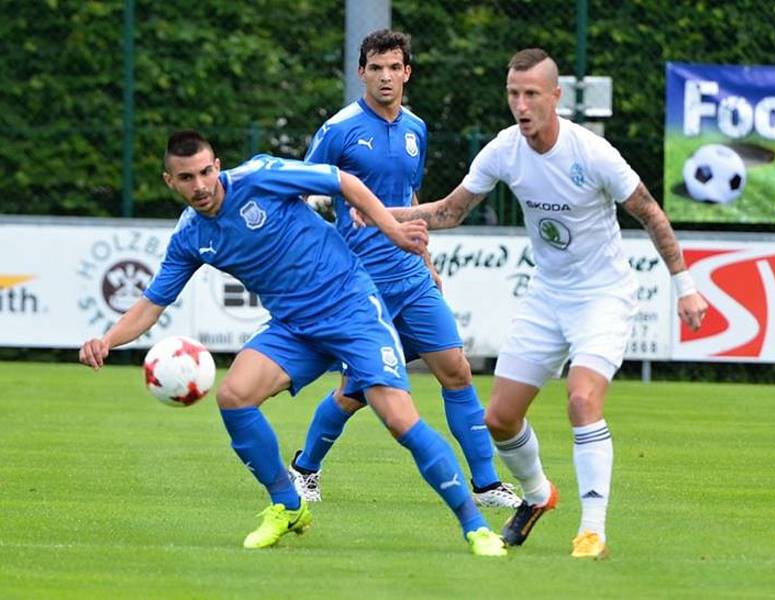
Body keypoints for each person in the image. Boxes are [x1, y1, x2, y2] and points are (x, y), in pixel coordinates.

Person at [78, 130, 507, 557]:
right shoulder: (191, 236)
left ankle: (476, 527)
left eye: (206, 172)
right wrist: (107, 340)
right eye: (187, 178)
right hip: (294, 327)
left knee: (398, 419)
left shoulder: (260, 176)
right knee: (234, 396)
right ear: (169, 181)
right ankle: (287, 504)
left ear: (218, 166)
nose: (201, 185)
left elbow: (344, 182)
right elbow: (154, 302)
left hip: (350, 306)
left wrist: (392, 230)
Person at [353, 49, 709, 559]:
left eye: (531, 95)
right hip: (546, 297)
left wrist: (685, 286)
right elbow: (451, 211)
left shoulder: (593, 154)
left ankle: (592, 530)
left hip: (602, 297)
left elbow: (650, 212)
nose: (521, 105)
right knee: (498, 419)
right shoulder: (504, 150)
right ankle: (539, 495)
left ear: (555, 97)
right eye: (513, 95)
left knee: (583, 400)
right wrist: (383, 212)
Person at [290, 29, 520, 509]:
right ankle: (305, 468)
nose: (386, 77)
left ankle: (486, 484)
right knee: (353, 392)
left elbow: (411, 203)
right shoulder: (338, 130)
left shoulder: (416, 128)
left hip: (412, 279)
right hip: (363, 285)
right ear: (361, 73)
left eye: (395, 67)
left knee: (456, 370)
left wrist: (426, 258)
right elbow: (296, 194)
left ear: (407, 73)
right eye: (376, 68)